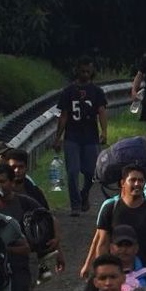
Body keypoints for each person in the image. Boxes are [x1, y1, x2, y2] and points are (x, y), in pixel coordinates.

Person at [0, 162, 62, 291]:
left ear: (11, 182)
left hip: (20, 266)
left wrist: (57, 244)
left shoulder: (24, 202)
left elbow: (49, 218)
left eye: (2, 181)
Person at [87, 164, 146, 278]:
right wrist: (103, 272)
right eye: (133, 180)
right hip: (115, 275)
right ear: (122, 183)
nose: (137, 184)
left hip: (143, 274)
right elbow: (103, 243)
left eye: (141, 180)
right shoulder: (110, 209)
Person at [55, 57, 108, 215]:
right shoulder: (68, 92)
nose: (85, 73)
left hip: (91, 136)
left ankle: (84, 192)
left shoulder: (97, 92)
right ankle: (75, 205)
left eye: (88, 71)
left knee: (91, 172)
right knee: (73, 171)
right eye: (82, 70)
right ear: (77, 71)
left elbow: (102, 111)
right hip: (72, 136)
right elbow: (63, 115)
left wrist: (104, 131)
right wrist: (58, 137)